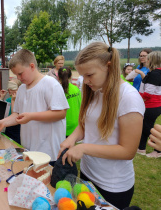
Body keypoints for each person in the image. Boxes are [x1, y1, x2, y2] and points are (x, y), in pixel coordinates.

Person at [58, 42, 145, 209]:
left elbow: (128, 151)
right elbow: (85, 125)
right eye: (83, 76)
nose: (86, 81)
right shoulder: (95, 90)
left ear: (109, 66)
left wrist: (83, 148)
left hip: (112, 185)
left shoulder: (129, 98)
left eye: (90, 75)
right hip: (87, 174)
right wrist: (72, 139)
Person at [0, 49, 69, 164]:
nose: (18, 78)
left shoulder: (51, 84)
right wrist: (3, 122)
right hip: (28, 150)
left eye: (20, 73)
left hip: (49, 153)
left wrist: (31, 116)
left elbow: (61, 113)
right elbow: (17, 115)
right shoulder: (22, 88)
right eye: (16, 74)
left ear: (32, 66)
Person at [137, 51, 161, 158]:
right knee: (146, 126)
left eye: (148, 59)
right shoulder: (155, 73)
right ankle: (141, 148)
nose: (146, 61)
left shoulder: (155, 74)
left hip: (151, 105)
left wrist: (138, 99)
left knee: (147, 127)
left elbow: (148, 93)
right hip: (153, 105)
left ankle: (156, 150)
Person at [58, 67, 81, 137]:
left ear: (58, 77)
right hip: (76, 124)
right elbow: (81, 105)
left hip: (62, 125)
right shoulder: (76, 89)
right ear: (71, 76)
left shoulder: (57, 90)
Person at [0, 78, 22, 144]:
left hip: (16, 130)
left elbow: (14, 116)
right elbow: (1, 113)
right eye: (9, 87)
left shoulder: (20, 100)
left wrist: (13, 100)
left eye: (12, 87)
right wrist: (1, 98)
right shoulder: (8, 100)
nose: (9, 89)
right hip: (8, 128)